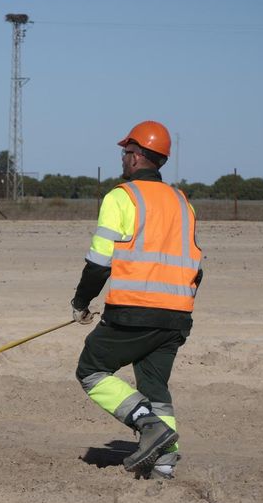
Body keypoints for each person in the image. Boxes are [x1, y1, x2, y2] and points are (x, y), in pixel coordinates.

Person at [70, 120, 203, 477]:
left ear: (137, 155)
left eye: (126, 152)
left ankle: (149, 427)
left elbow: (99, 262)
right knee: (154, 385)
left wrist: (81, 302)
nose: (123, 159)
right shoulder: (182, 202)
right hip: (177, 315)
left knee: (91, 370)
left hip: (133, 311)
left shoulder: (121, 197)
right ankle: (163, 464)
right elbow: (196, 266)